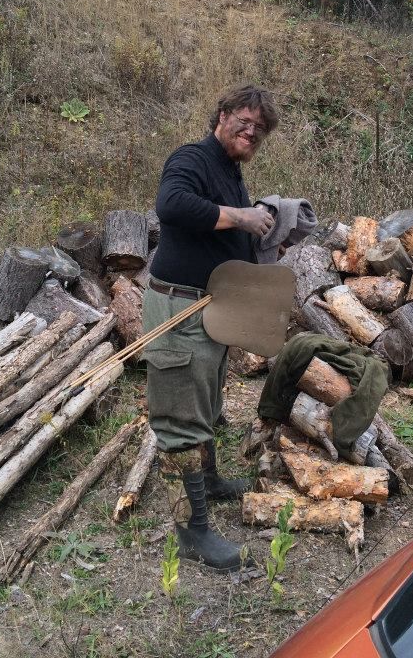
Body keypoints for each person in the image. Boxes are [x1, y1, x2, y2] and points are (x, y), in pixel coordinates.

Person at [142, 84, 279, 570]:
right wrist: (241, 216)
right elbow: (171, 205)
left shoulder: (230, 170)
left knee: (204, 404)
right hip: (179, 310)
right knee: (180, 422)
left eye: (260, 127)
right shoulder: (192, 158)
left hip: (210, 308)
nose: (252, 130)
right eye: (245, 119)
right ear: (221, 115)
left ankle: (212, 483)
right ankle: (192, 531)